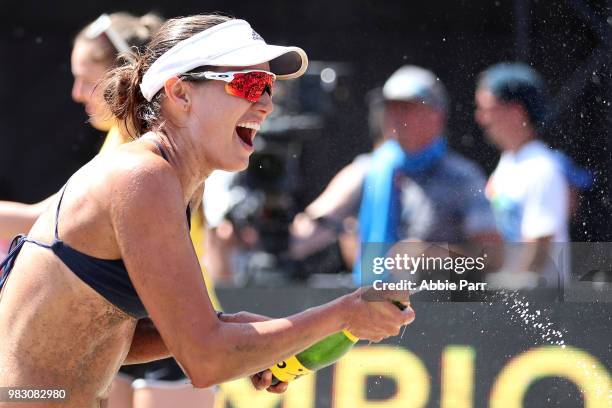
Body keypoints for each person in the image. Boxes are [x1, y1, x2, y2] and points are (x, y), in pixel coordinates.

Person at [0, 14, 414, 408]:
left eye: (269, 86)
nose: (267, 103)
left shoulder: (165, 178)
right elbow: (206, 360)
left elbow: (95, 333)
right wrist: (342, 314)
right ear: (180, 94)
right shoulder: (143, 177)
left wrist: (238, 326)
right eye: (250, 84)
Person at [353, 66, 500, 285]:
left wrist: (431, 257)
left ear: (436, 115)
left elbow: (493, 257)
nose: (394, 116)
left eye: (406, 107)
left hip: (440, 313)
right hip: (376, 311)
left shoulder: (463, 177)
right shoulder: (371, 169)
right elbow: (319, 222)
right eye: (390, 107)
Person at [475, 62, 570, 288]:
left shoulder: (541, 168)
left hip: (540, 308)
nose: (480, 118)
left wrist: (503, 294)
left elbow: (539, 247)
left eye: (487, 108)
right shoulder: (508, 163)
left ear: (516, 112)